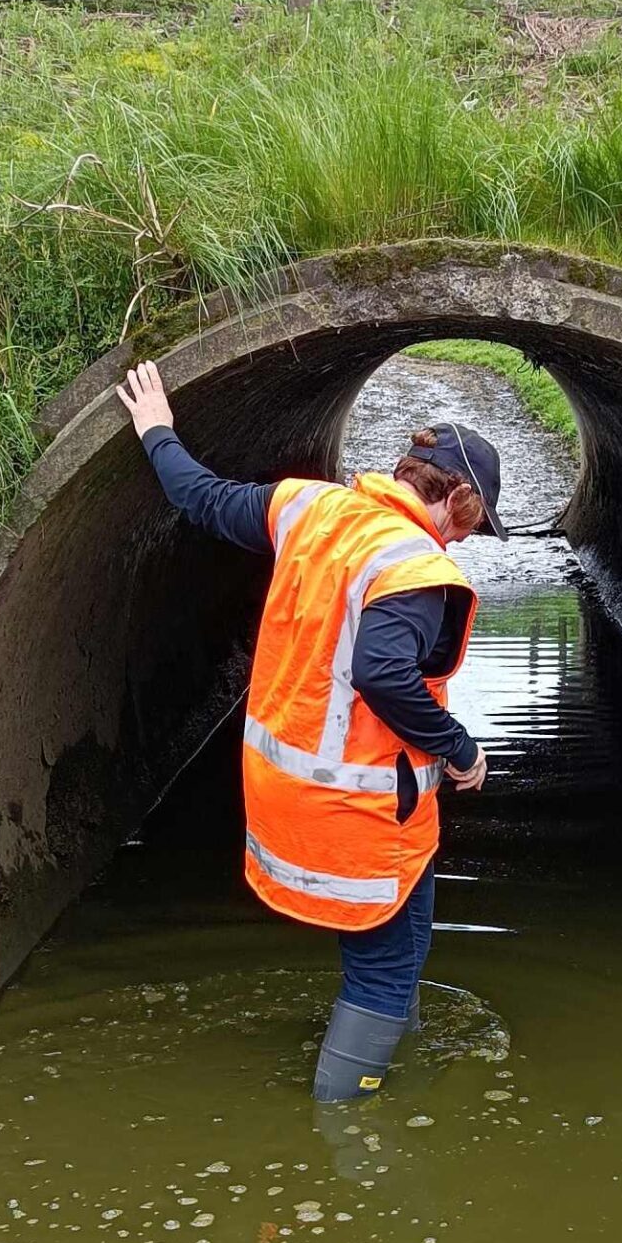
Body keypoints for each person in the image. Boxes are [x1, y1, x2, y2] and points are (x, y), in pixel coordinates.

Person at [114, 360, 504, 1101]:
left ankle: (397, 1063)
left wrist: (156, 429)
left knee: (403, 942)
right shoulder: (415, 565)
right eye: (475, 518)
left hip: (296, 791)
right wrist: (460, 749)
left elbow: (201, 497)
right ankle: (345, 1128)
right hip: (355, 812)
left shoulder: (310, 509)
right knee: (382, 969)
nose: (470, 536)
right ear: (455, 494)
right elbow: (383, 675)